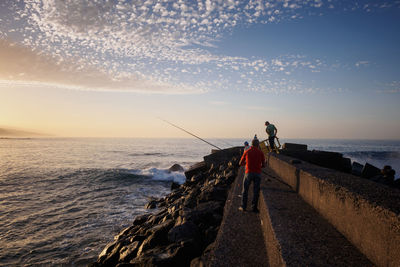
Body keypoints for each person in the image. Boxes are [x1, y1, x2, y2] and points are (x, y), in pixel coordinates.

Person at [238, 138, 266, 212]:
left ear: (251, 144)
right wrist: (259, 166)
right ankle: (254, 207)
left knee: (245, 190)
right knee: (256, 191)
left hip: (248, 173)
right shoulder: (261, 153)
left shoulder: (247, 151)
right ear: (258, 145)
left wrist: (246, 163)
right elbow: (264, 165)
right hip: (257, 173)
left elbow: (240, 163)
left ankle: (243, 207)